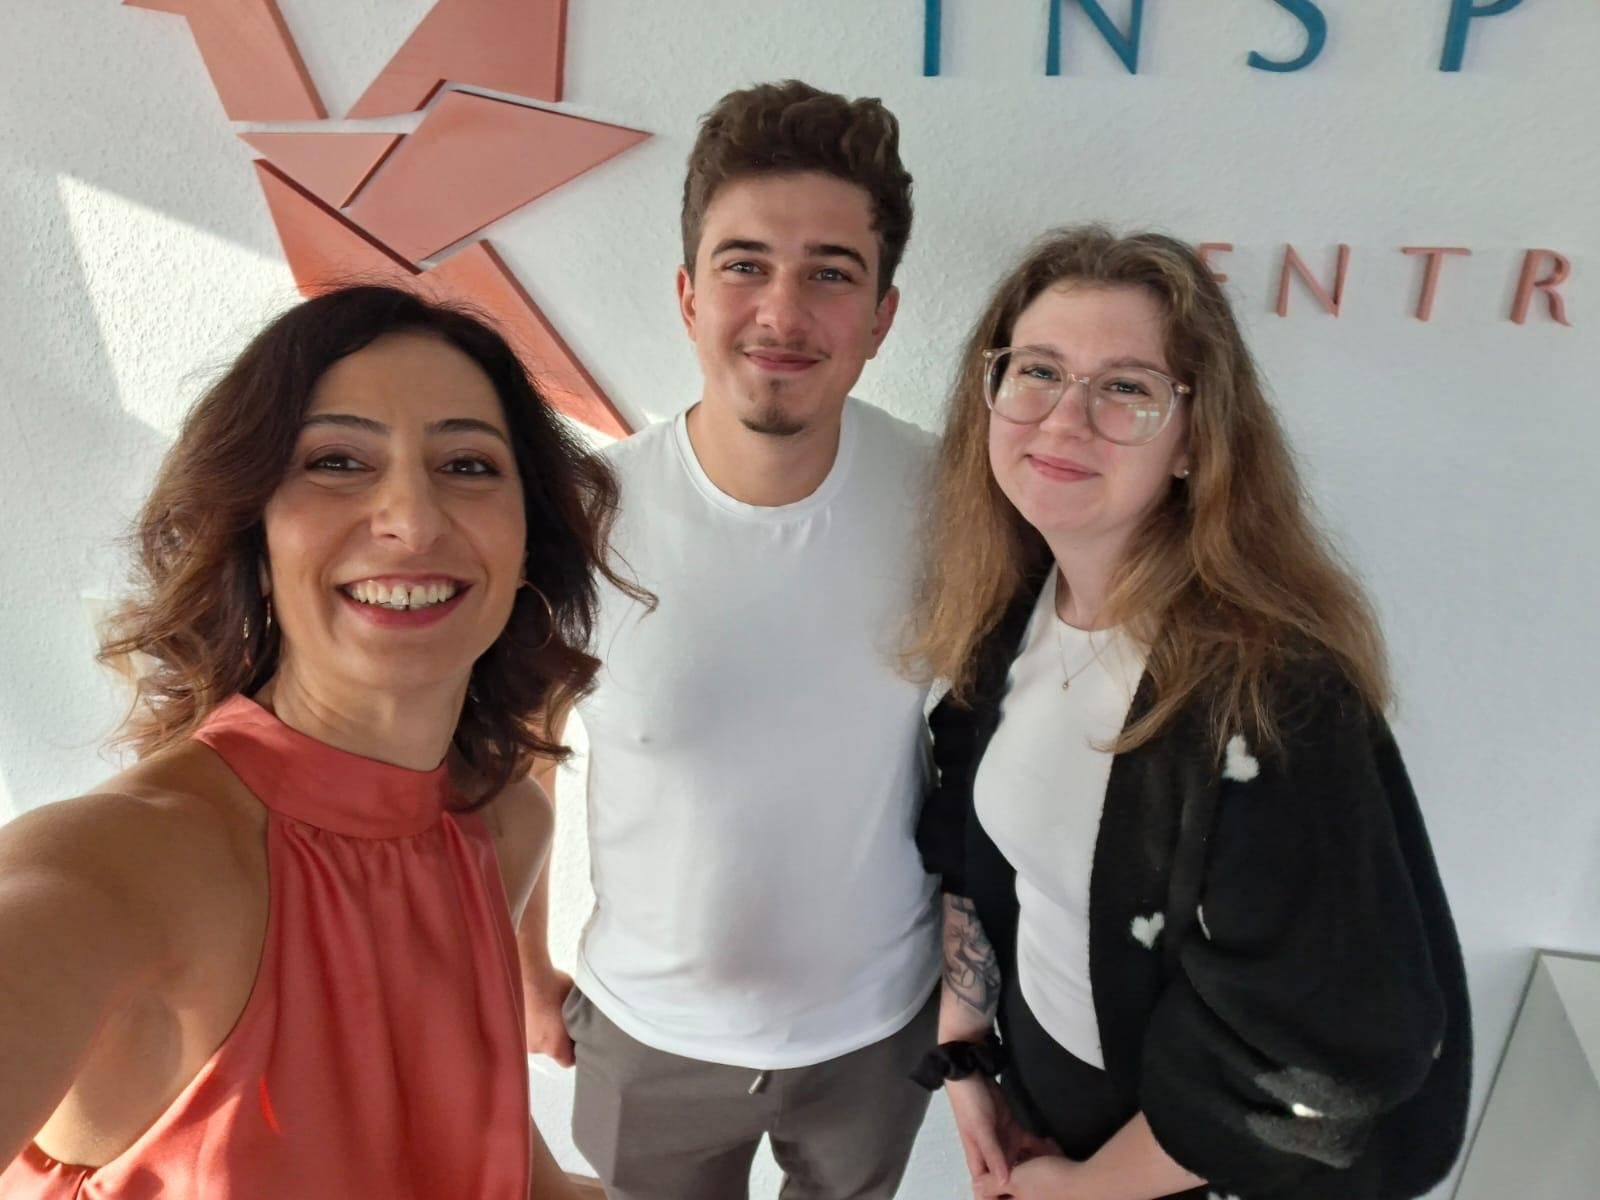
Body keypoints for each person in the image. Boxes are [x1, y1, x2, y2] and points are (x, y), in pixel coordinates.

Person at [0, 285, 631, 1198]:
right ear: (253, 536)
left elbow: (469, 1142)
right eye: (337, 461)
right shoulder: (115, 867)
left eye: (467, 465)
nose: (413, 520)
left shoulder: (504, 826)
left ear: (529, 541)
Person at [910, 227, 1472, 1200]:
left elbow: (1320, 1052)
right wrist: (966, 1048)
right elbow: (974, 830)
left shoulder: (1270, 694)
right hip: (1042, 1109)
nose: (1064, 419)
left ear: (1193, 441)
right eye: (1037, 370)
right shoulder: (1017, 608)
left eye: (1126, 387)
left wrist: (1085, 1191)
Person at [517, 80, 940, 1199]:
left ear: (882, 314)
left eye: (830, 273)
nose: (781, 313)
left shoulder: (954, 500)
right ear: (688, 295)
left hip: (875, 1038)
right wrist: (519, 966)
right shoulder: (582, 520)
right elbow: (519, 755)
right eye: (745, 264)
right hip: (644, 1034)